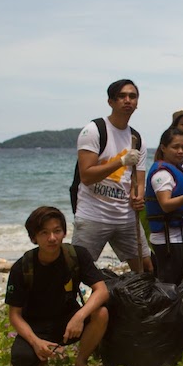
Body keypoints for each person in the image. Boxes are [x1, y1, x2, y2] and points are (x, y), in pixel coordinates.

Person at [6, 207, 108, 366]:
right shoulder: (22, 267)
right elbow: (14, 315)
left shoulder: (76, 255)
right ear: (34, 237)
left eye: (57, 231)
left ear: (64, 232)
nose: (52, 238)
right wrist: (35, 342)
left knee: (101, 313)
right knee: (22, 360)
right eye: (44, 233)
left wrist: (80, 316)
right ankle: (41, 359)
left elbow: (102, 290)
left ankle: (81, 362)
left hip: (69, 322)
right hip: (36, 326)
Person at [72, 79, 152, 272]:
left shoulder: (137, 139)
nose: (127, 100)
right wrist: (121, 161)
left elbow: (139, 181)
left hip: (125, 217)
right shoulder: (94, 131)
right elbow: (87, 176)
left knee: (146, 269)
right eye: (121, 96)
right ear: (110, 101)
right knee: (76, 270)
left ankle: (140, 302)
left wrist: (138, 196)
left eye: (132, 97)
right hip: (93, 215)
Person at [145, 128, 183, 285]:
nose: (180, 151)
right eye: (175, 147)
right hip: (167, 239)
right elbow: (165, 205)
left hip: (182, 236)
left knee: (182, 281)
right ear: (163, 148)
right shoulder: (162, 173)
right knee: (169, 284)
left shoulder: (178, 170)